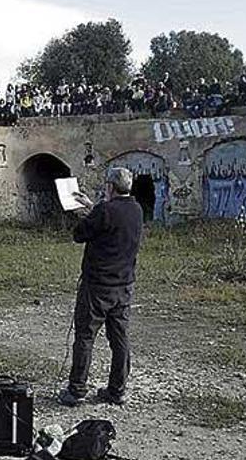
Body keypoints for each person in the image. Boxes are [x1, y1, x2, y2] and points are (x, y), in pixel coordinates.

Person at [58, 167, 143, 407]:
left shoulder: (105, 211)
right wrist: (93, 206)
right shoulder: (136, 210)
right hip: (124, 286)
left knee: (85, 337)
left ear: (110, 187)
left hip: (97, 287)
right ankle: (117, 391)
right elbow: (112, 218)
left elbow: (79, 234)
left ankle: (76, 390)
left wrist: (81, 213)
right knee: (120, 339)